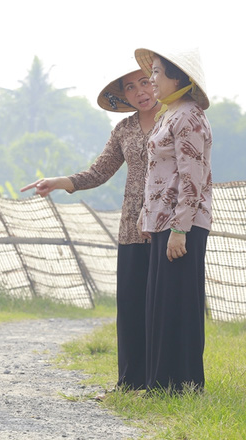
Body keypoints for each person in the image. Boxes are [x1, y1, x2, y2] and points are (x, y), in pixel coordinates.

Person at [21, 60, 161, 393]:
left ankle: (162, 381)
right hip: (130, 227)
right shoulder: (124, 130)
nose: (140, 91)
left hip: (166, 227)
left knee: (162, 307)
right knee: (130, 307)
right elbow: (99, 172)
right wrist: (59, 182)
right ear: (123, 96)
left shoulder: (175, 119)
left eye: (145, 82)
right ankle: (130, 382)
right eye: (130, 87)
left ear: (156, 83)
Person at [134, 47, 212, 394]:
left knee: (179, 303)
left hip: (183, 224)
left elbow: (192, 176)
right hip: (163, 222)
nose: (151, 80)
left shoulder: (189, 116)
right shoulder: (169, 115)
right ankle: (160, 382)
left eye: (157, 73)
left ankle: (182, 384)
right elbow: (158, 173)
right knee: (160, 303)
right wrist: (146, 214)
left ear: (177, 78)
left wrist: (180, 228)